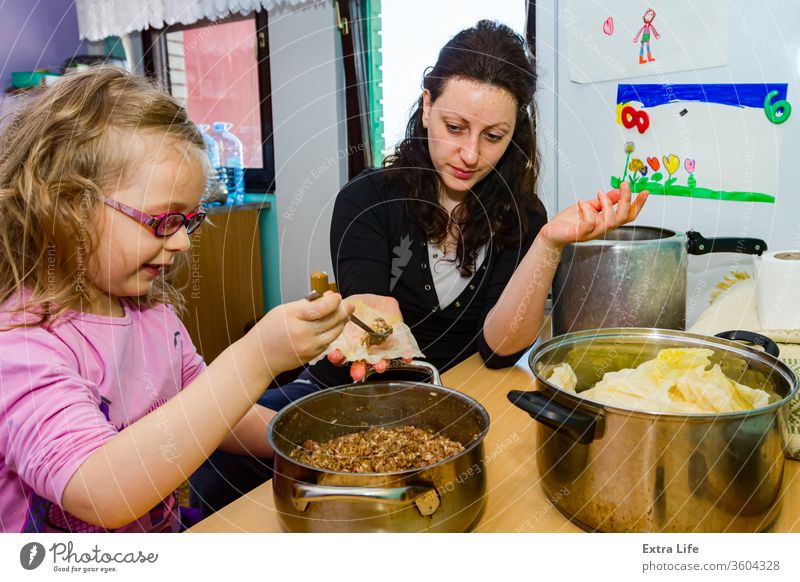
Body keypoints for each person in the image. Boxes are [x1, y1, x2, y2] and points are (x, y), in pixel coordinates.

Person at [190, 19, 648, 513]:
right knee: (221, 475)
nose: (470, 154)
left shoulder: (523, 216)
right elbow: (371, 308)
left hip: (445, 407)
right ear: (427, 106)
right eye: (455, 128)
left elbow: (498, 350)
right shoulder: (368, 200)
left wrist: (548, 244)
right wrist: (377, 324)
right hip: (342, 397)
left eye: (493, 136)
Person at [0, 66, 350, 532]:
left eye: (190, 221)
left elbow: (218, 414)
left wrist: (311, 444)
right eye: (164, 221)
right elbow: (103, 492)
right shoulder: (21, 344)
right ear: (70, 207)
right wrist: (255, 358)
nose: (184, 242)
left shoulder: (154, 317)